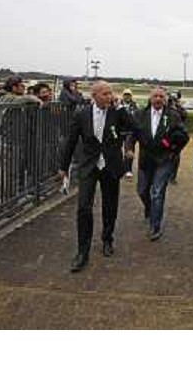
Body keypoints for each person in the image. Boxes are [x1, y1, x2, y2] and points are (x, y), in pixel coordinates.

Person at [59, 81, 136, 272]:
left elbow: (135, 127)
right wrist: (63, 165)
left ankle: (107, 239)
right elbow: (71, 141)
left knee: (110, 205)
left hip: (111, 165)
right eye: (104, 94)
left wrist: (121, 109)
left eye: (110, 93)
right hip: (89, 166)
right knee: (84, 207)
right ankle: (82, 252)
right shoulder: (81, 114)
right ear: (94, 95)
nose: (109, 97)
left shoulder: (117, 113)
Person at [128, 86, 189, 241]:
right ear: (150, 98)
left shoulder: (173, 115)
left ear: (165, 99)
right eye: (155, 96)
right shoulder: (140, 114)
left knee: (157, 193)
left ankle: (155, 226)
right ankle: (149, 209)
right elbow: (132, 134)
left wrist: (174, 150)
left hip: (164, 160)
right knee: (142, 190)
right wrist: (129, 148)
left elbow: (184, 136)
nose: (158, 99)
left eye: (161, 96)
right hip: (145, 160)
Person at [168, 91, 187, 184]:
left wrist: (177, 107)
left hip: (176, 137)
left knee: (176, 156)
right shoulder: (165, 107)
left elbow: (184, 116)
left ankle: (173, 177)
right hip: (166, 136)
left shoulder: (179, 108)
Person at [121, 88, 138, 179]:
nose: (127, 97)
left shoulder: (135, 106)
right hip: (119, 131)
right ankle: (121, 167)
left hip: (130, 132)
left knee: (129, 150)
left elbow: (136, 117)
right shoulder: (119, 105)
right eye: (125, 95)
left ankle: (128, 169)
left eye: (129, 95)